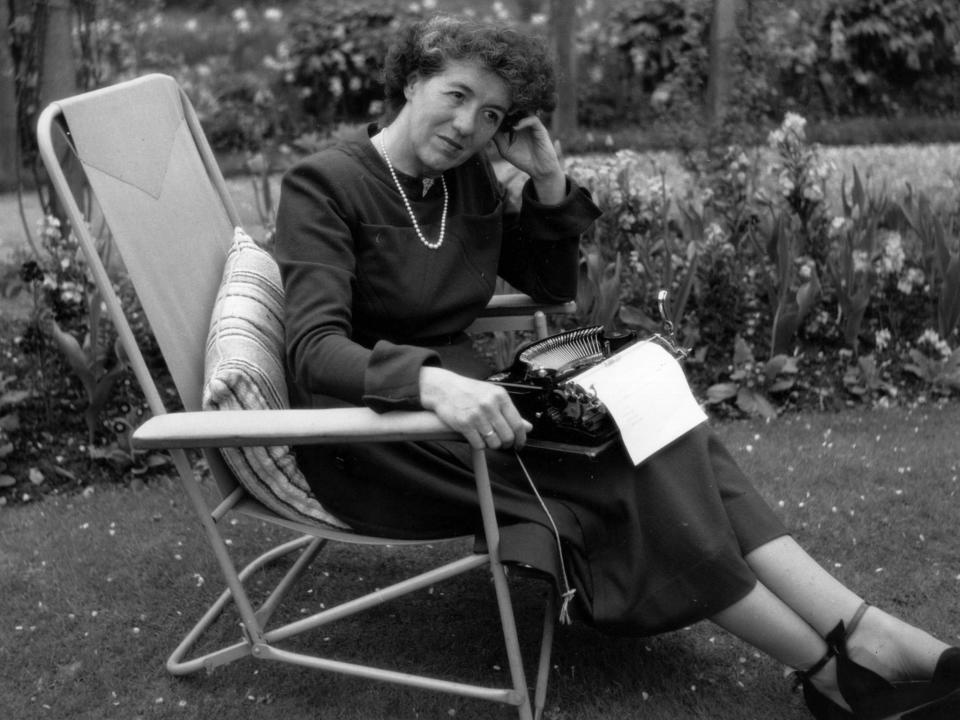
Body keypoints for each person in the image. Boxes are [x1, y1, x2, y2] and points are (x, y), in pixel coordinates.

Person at [274, 14, 959, 720]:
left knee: (665, 427)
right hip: (383, 432)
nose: (467, 125)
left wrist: (546, 177)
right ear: (412, 80)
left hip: (481, 406)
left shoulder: (464, 179)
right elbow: (314, 350)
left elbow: (547, 284)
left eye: (492, 115)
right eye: (455, 95)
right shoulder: (325, 184)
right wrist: (430, 380)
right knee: (633, 463)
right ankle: (831, 670)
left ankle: (866, 635)